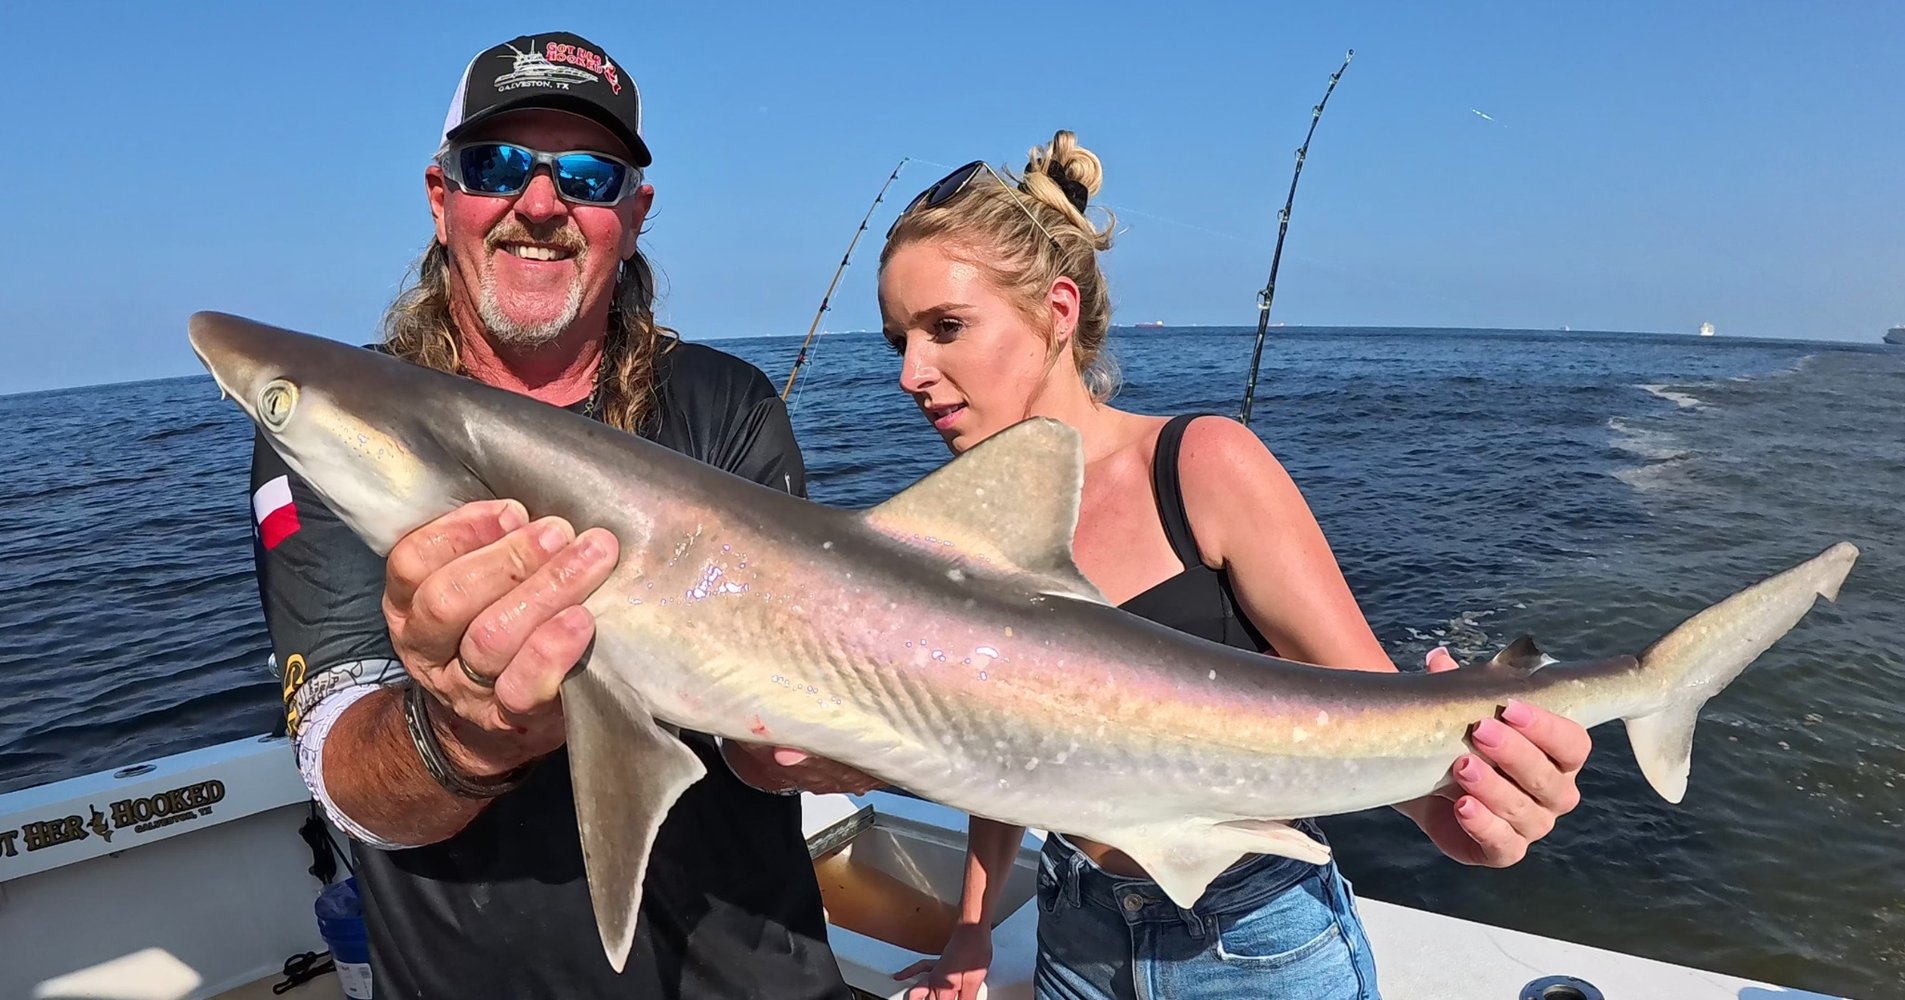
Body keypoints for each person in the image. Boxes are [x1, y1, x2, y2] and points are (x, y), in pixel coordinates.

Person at [874, 132, 1594, 1000]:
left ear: (1057, 311)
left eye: (945, 328)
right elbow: (998, 751)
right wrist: (969, 931)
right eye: (896, 342)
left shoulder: (1201, 466)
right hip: (1074, 931)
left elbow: (1366, 696)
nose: (913, 373)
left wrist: (1456, 807)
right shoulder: (967, 527)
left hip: (1252, 945)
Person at [251, 31, 871, 999]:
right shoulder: (346, 428)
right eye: (495, 165)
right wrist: (461, 740)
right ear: (439, 193)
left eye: (587, 174)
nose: (540, 204)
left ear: (636, 209)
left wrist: (821, 736)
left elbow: (771, 748)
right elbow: (339, 760)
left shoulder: (728, 405)